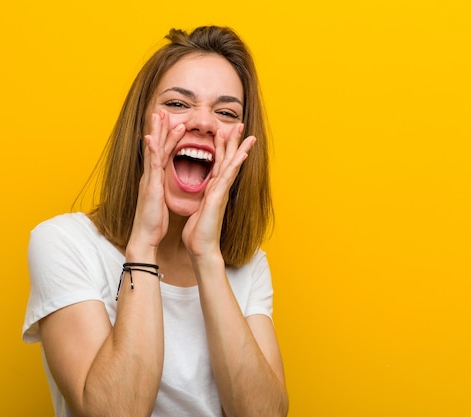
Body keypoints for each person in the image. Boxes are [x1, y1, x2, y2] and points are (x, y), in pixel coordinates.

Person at [22, 25, 288, 417]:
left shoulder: (248, 268)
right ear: (141, 126)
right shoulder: (64, 243)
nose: (204, 122)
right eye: (178, 104)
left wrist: (207, 256)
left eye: (227, 112)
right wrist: (143, 244)